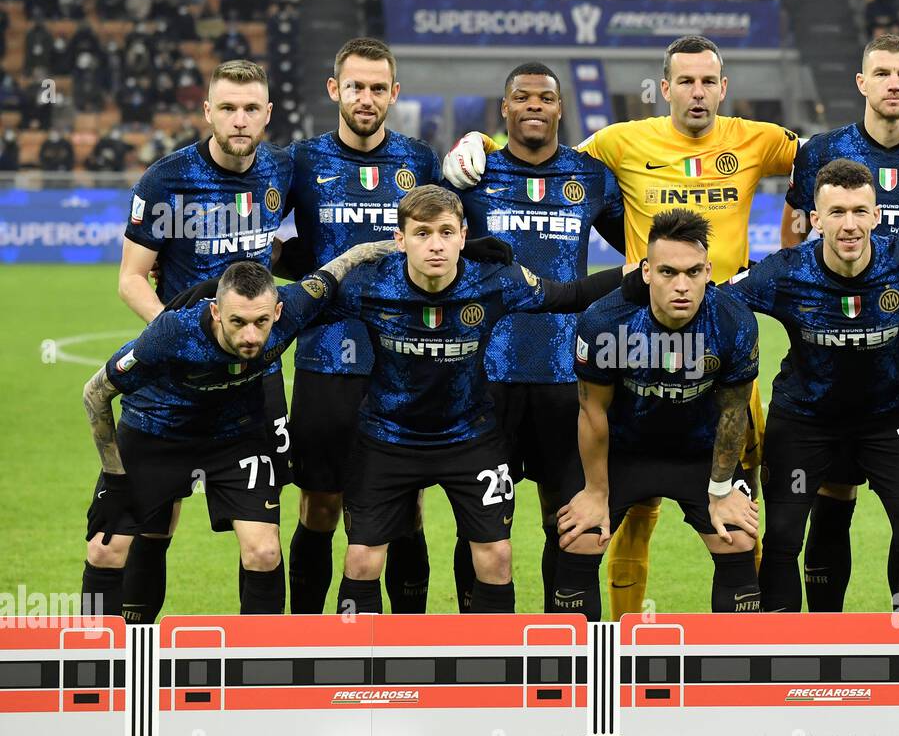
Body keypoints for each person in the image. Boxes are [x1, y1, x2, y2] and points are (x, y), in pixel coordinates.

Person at [443, 33, 899, 619]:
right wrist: (479, 142)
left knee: (742, 506)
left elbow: (835, 154)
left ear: (723, 87)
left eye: (708, 80)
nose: (697, 91)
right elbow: (540, 147)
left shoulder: (757, 140)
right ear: (664, 88)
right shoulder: (620, 141)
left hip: (725, 332)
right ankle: (622, 639)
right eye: (684, 81)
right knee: (626, 515)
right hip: (636, 338)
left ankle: (755, 635)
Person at [325, 185, 629, 615]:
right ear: (399, 239)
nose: (435, 244)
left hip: (470, 438)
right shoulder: (368, 285)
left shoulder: (494, 281)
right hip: (387, 439)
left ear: (463, 236)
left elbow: (568, 295)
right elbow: (302, 304)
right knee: (360, 561)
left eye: (446, 232)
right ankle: (357, 674)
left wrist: (642, 272)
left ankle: (495, 676)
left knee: (496, 558)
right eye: (422, 233)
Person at [80, 241, 396, 618]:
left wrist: (404, 245)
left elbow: (343, 263)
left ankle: (262, 666)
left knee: (264, 552)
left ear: (278, 311)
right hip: (157, 432)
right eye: (237, 322)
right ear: (216, 312)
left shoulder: (293, 308)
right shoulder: (171, 333)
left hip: (235, 437)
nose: (250, 335)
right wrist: (115, 477)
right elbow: (95, 393)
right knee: (105, 548)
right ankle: (101, 664)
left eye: (261, 322)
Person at [781, 33, 899, 611]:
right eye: (882, 73)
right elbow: (793, 235)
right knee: (832, 498)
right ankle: (822, 635)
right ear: (861, 83)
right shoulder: (821, 151)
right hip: (832, 363)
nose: (893, 83)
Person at [113, 59, 294, 625]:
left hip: (252, 387)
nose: (239, 120)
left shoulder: (281, 172)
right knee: (153, 524)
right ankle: (136, 656)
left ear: (267, 114)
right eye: (227, 108)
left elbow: (285, 248)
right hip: (177, 389)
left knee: (264, 546)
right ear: (207, 111)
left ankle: (263, 673)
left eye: (250, 109)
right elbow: (129, 278)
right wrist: (179, 335)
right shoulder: (166, 181)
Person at [448, 61, 625, 612]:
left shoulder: (590, 176)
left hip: (566, 381)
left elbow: (639, 251)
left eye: (544, 98)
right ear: (504, 109)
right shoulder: (472, 177)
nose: (533, 106)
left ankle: (570, 651)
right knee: (481, 527)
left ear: (559, 108)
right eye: (521, 97)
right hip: (485, 380)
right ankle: (484, 652)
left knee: (571, 522)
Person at [278, 37, 440, 615]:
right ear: (334, 90)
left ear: (394, 93)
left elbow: (443, 239)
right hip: (325, 362)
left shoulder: (420, 161)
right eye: (356, 87)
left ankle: (409, 637)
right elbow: (261, 237)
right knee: (319, 505)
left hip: (405, 363)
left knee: (405, 506)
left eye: (377, 88)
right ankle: (303, 634)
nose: (366, 98)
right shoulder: (302, 162)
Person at [556, 209, 761, 621]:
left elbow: (734, 412)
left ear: (708, 271)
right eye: (668, 272)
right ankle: (578, 671)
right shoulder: (604, 321)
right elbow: (592, 408)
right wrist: (596, 492)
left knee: (738, 537)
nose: (681, 286)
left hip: (698, 453)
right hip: (624, 452)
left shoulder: (733, 321)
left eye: (692, 272)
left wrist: (721, 491)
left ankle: (735, 671)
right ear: (646, 271)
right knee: (579, 536)